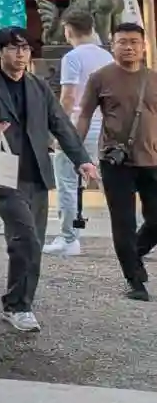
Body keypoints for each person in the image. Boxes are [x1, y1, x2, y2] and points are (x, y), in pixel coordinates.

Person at [0, 26, 100, 332]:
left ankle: (19, 300)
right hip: (3, 174)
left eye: (25, 48)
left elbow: (61, 124)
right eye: (13, 48)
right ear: (0, 52)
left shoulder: (38, 86)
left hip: (36, 174)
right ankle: (18, 307)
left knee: (31, 242)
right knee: (25, 239)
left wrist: (82, 160)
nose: (21, 54)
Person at [75, 19, 157, 302]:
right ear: (112, 46)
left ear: (143, 46)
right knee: (123, 222)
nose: (128, 47)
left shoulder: (153, 78)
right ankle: (134, 279)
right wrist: (75, 150)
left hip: (152, 159)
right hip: (115, 161)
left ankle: (134, 254)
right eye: (122, 42)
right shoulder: (100, 77)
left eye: (134, 42)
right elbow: (84, 114)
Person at [45, 9, 110, 258]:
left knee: (68, 184)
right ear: (92, 28)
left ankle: (69, 238)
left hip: (77, 128)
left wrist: (60, 130)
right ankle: (135, 234)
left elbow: (69, 97)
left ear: (68, 30)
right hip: (103, 128)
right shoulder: (106, 56)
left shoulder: (72, 58)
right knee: (111, 184)